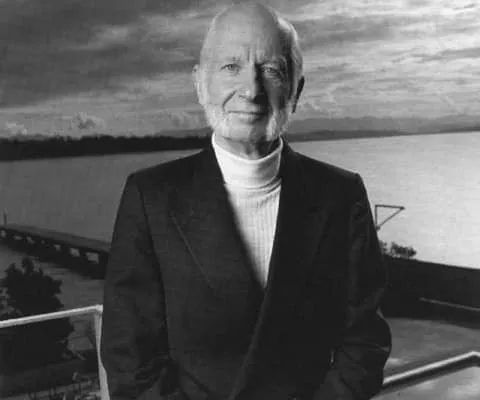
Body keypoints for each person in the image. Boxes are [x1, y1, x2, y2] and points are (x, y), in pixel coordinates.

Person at [100, 3, 392, 400]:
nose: (252, 90)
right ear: (200, 84)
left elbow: (365, 342)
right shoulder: (150, 198)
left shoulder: (341, 195)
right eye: (230, 67)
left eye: (271, 70)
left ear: (296, 89)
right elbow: (130, 362)